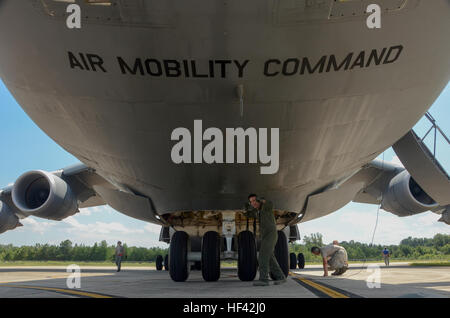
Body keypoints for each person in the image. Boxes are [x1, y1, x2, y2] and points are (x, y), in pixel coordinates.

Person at [245, 194, 286, 286]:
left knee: (262, 256)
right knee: (270, 258)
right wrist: (247, 208)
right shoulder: (258, 212)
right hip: (265, 236)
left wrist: (262, 200)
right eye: (251, 202)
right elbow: (249, 214)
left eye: (254, 200)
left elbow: (270, 203)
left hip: (271, 235)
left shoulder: (266, 207)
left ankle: (264, 279)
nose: (253, 203)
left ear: (258, 200)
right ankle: (281, 277)